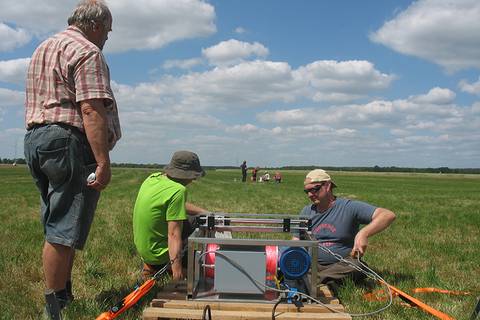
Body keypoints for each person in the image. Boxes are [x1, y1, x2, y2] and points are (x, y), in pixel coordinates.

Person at [23, 1, 120, 319]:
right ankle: (54, 310)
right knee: (63, 231)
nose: (106, 37)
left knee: (56, 222)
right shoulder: (88, 51)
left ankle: (63, 294)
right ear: (95, 25)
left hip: (37, 140)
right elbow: (91, 108)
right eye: (107, 30)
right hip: (67, 142)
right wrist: (102, 162)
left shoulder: (44, 47)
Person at [292, 169, 395, 291]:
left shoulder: (348, 207)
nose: (310, 194)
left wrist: (363, 233)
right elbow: (296, 241)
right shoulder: (306, 211)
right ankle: (323, 281)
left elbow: (387, 215)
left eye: (314, 189)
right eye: (307, 191)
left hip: (341, 264)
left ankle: (312, 280)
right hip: (312, 265)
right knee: (287, 263)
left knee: (356, 266)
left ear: (328, 186)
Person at [133, 151, 208, 282]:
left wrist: (205, 213)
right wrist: (177, 274)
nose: (194, 179)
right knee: (207, 267)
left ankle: (149, 265)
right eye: (194, 176)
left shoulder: (153, 178)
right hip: (159, 255)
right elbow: (173, 235)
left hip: (145, 250)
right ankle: (162, 267)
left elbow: (173, 205)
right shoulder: (178, 190)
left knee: (196, 220)